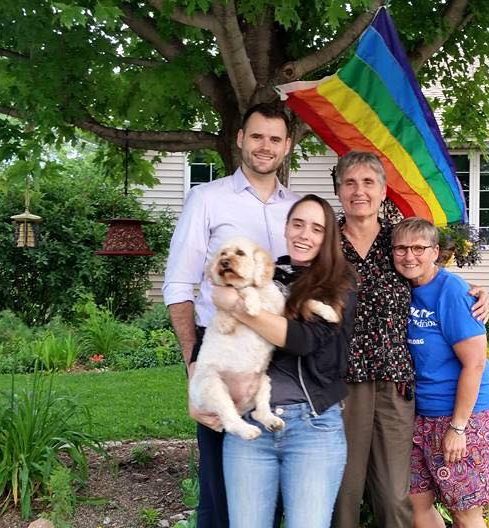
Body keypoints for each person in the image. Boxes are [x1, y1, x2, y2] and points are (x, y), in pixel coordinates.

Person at [332, 151, 489, 528]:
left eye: (368, 182)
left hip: (396, 384)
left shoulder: (398, 243)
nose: (359, 191)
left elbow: (433, 278)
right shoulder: (327, 244)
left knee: (394, 494)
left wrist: (474, 291)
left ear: (383, 190)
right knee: (344, 492)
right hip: (343, 383)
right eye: (350, 183)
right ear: (339, 190)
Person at [162, 102, 297, 528]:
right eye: (256, 136)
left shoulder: (298, 211)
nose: (265, 146)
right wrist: (193, 367)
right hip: (220, 345)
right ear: (240, 138)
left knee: (280, 482)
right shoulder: (206, 199)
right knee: (222, 491)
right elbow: (179, 286)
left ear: (287, 146)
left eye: (275, 139)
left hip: (284, 355)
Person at [210, 194, 358, 528]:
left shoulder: (341, 283)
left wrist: (234, 304)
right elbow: (218, 334)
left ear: (328, 237)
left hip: (313, 427)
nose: (305, 234)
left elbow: (303, 340)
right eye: (298, 224)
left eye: (317, 229)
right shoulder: (264, 272)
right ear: (286, 228)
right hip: (250, 424)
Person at [391, 217, 489, 528]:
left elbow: (475, 362)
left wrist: (458, 428)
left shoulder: (451, 290)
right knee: (417, 505)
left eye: (418, 248)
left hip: (464, 414)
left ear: (435, 251)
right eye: (400, 248)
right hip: (420, 414)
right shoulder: (401, 288)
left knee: (465, 513)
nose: (409, 256)